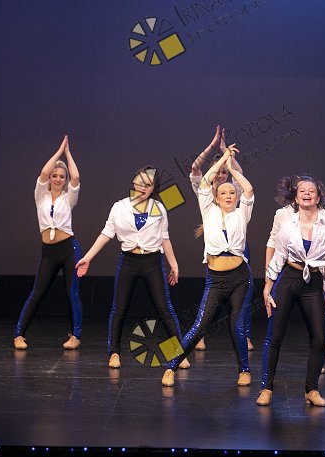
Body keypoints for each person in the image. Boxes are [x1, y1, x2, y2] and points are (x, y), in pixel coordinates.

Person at [75, 165, 188, 370]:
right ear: (134, 183)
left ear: (153, 188)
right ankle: (114, 353)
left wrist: (174, 264)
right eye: (141, 182)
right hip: (128, 261)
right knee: (119, 308)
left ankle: (178, 354)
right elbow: (106, 233)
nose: (143, 187)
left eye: (148, 184)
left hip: (153, 262)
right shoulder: (119, 207)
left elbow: (165, 238)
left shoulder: (159, 208)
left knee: (164, 308)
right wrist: (87, 258)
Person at [162, 145, 254, 387]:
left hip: (240, 278)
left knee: (237, 325)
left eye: (231, 193)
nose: (228, 196)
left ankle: (244, 370)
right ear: (216, 197)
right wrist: (223, 160)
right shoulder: (208, 210)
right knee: (199, 325)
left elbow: (248, 189)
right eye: (223, 193)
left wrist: (232, 169)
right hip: (215, 279)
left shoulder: (242, 213)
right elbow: (204, 181)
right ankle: (171, 366)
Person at [258, 175, 325, 407]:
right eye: (302, 190)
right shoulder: (288, 225)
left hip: (314, 282)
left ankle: (311, 390)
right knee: (275, 335)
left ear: (318, 197)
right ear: (296, 197)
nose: (306, 193)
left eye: (311, 190)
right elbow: (279, 257)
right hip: (290, 278)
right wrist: (268, 286)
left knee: (320, 337)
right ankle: (266, 388)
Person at [188, 125, 254, 352]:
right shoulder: (206, 193)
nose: (221, 175)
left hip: (236, 245)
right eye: (218, 172)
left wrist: (227, 153)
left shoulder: (233, 191)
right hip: (215, 245)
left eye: (224, 172)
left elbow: (242, 178)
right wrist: (213, 146)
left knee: (243, 296)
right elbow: (195, 168)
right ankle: (201, 334)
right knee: (211, 299)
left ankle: (244, 334)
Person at [14, 135, 83, 350]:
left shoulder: (68, 198)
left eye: (61, 176)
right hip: (49, 252)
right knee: (38, 292)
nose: (57, 179)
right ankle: (19, 334)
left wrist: (68, 154)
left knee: (71, 293)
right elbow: (43, 173)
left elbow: (76, 176)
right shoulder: (40, 196)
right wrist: (59, 152)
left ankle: (76, 336)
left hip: (69, 249)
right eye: (55, 176)